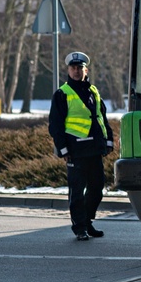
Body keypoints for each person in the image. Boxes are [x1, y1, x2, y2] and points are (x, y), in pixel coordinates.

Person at [48, 51, 114, 241]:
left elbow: (101, 118)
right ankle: (79, 227)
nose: (76, 71)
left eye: (80, 68)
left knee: (97, 188)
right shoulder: (62, 94)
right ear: (68, 70)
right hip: (75, 151)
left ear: (86, 70)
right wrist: (63, 150)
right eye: (73, 68)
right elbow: (55, 125)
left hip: (95, 149)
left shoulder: (93, 91)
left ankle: (87, 220)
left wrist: (108, 141)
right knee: (77, 191)